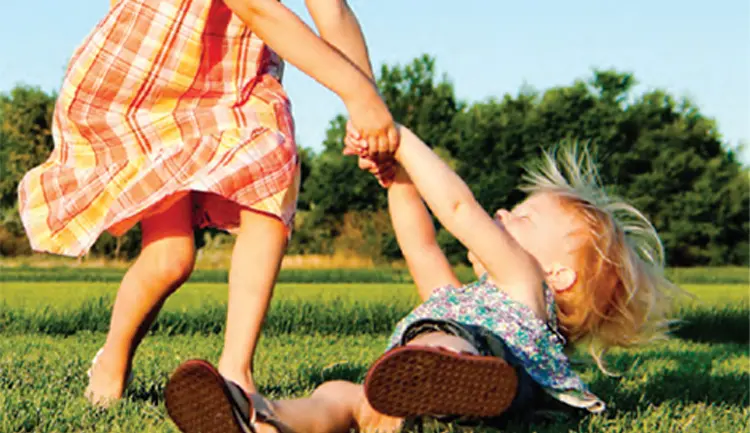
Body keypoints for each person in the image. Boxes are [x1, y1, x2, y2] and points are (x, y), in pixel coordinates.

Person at [162, 126, 678, 432]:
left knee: (445, 337)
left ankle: (444, 369)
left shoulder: (524, 285)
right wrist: (396, 176)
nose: (502, 213)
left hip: (495, 373)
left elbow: (457, 208)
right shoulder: (455, 299)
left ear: (558, 275)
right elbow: (421, 241)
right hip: (405, 395)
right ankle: (262, 417)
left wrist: (403, 138)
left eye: (522, 218)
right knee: (341, 394)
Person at [17, 0, 398, 407]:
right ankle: (114, 357)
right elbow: (257, 8)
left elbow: (333, 12)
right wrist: (356, 92)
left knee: (272, 162)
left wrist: (368, 102)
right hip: (156, 71)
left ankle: (236, 375)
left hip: (241, 77)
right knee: (170, 259)